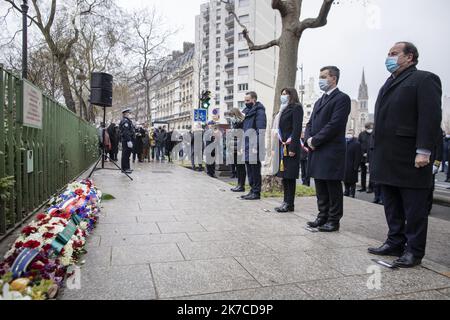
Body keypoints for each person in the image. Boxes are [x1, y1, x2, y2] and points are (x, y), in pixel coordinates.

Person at [368, 42, 442, 268]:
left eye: (394, 54)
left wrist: (424, 150)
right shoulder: (388, 83)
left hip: (410, 156)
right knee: (391, 203)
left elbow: (429, 117)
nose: (388, 57)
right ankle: (395, 241)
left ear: (409, 57)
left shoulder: (424, 79)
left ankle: (414, 250)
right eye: (388, 53)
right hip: (386, 156)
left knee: (414, 207)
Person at [305, 66, 351, 232]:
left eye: (324, 76)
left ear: (334, 78)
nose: (320, 80)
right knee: (320, 185)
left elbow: (335, 124)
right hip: (316, 149)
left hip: (331, 150)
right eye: (320, 76)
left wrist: (315, 140)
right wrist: (308, 138)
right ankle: (322, 215)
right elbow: (310, 124)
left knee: (332, 186)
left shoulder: (342, 99)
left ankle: (333, 220)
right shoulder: (319, 101)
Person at [273, 88, 304, 213]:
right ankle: (285, 202)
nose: (283, 96)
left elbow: (296, 129)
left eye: (286, 94)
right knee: (285, 176)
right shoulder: (283, 109)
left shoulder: (296, 108)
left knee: (290, 176)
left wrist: (293, 147)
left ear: (292, 95)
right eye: (282, 94)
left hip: (291, 146)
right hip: (282, 146)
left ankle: (290, 203)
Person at [241, 91, 267, 201]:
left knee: (255, 169)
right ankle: (252, 190)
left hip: (254, 145)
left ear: (254, 100)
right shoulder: (246, 112)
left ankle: (256, 192)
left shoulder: (259, 111)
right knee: (249, 169)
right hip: (247, 144)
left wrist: (255, 145)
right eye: (245, 101)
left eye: (248, 100)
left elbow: (260, 129)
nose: (246, 102)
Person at [227, 108, 247, 193]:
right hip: (233, 147)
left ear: (236, 114)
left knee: (241, 167)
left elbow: (242, 136)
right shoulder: (233, 123)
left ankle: (241, 185)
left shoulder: (242, 122)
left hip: (239, 148)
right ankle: (238, 184)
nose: (231, 118)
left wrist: (241, 147)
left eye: (232, 116)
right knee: (237, 167)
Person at [344, 129, 362, 198]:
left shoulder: (356, 143)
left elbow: (358, 156)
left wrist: (356, 166)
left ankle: (352, 193)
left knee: (352, 181)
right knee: (345, 180)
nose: (349, 134)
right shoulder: (344, 142)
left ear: (353, 134)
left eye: (350, 133)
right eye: (348, 133)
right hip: (345, 165)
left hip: (352, 165)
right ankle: (346, 191)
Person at [358, 123, 374, 193]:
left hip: (371, 156)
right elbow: (358, 145)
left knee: (371, 173)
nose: (370, 130)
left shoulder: (373, 134)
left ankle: (371, 188)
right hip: (363, 156)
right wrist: (362, 153)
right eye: (369, 128)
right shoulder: (361, 134)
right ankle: (363, 187)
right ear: (366, 128)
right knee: (363, 172)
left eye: (371, 128)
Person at [119, 108, 135, 174]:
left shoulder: (128, 121)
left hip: (128, 140)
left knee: (127, 155)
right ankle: (124, 169)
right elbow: (126, 132)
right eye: (129, 113)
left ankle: (127, 168)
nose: (130, 114)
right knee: (125, 155)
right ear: (125, 113)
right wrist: (128, 140)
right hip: (126, 140)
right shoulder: (125, 121)